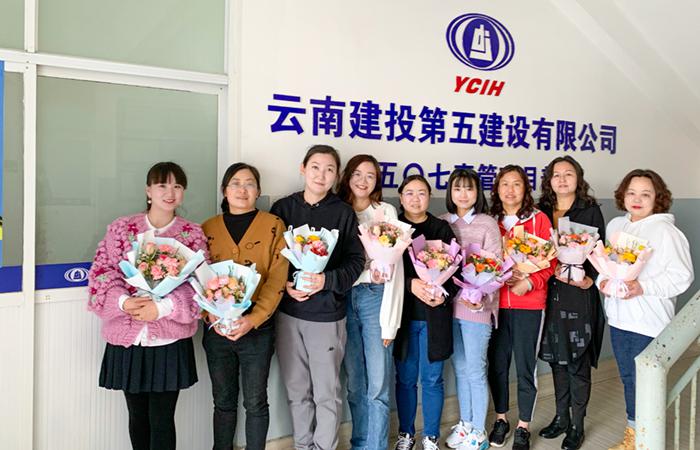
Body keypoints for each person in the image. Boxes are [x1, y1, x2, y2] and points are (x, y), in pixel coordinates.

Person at [87, 162, 207, 450]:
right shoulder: (122, 229)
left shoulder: (192, 234)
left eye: (177, 186)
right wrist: (123, 302)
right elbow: (102, 272)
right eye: (162, 185)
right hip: (129, 339)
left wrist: (163, 308)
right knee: (137, 417)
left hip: (168, 340)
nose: (170, 192)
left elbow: (201, 285)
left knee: (163, 419)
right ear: (148, 190)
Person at [270, 145, 365, 450]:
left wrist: (326, 280)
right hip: (288, 314)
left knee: (327, 393)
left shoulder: (343, 212)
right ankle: (302, 446)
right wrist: (285, 285)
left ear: (337, 176)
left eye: (329, 169)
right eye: (315, 167)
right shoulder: (283, 209)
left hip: (327, 315)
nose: (321, 175)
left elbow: (356, 262)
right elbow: (271, 259)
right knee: (296, 390)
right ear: (303, 168)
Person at [601, 169, 693, 450]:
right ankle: (636, 434)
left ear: (658, 198)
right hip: (619, 317)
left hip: (648, 321)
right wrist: (602, 280)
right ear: (623, 195)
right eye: (631, 192)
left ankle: (642, 438)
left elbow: (682, 277)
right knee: (629, 379)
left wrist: (643, 287)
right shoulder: (617, 225)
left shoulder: (666, 232)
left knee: (643, 383)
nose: (637, 199)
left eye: (645, 194)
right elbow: (607, 262)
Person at [200, 162, 289, 450]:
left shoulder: (274, 225)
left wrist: (254, 319)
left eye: (249, 183)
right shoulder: (208, 228)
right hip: (217, 332)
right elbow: (197, 277)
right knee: (223, 401)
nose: (242, 189)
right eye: (235, 183)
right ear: (224, 190)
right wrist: (210, 315)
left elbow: (277, 278)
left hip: (257, 331)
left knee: (255, 401)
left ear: (258, 191)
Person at [536, 156, 606, 450]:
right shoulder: (540, 210)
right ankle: (561, 417)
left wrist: (591, 278)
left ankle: (577, 424)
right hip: (550, 294)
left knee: (577, 360)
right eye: (556, 174)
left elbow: (601, 251)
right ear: (549, 180)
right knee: (556, 359)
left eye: (568, 174)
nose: (562, 179)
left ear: (578, 178)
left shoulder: (589, 210)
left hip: (578, 295)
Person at [337, 154, 404, 450]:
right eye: (357, 174)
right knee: (355, 383)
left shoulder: (385, 211)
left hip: (375, 297)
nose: (363, 181)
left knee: (378, 384)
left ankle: (376, 446)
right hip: (342, 299)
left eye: (370, 176)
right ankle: (360, 443)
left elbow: (396, 268)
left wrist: (391, 322)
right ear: (347, 176)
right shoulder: (337, 209)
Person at [487, 165, 555, 450]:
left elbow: (551, 261)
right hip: (495, 305)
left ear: (525, 188)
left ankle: (523, 426)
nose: (510, 190)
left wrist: (529, 281)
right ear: (497, 188)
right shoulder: (490, 221)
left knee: (526, 366)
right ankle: (501, 419)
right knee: (497, 364)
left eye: (517, 184)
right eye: (505, 183)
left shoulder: (539, 220)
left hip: (529, 304)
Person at [393, 175, 458, 450]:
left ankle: (431, 436)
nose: (415, 198)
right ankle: (406, 434)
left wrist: (442, 294)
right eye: (409, 193)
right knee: (405, 380)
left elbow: (456, 271)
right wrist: (410, 283)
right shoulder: (394, 228)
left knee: (432, 379)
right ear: (401, 197)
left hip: (434, 317)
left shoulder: (441, 228)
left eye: (421, 193)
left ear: (429, 197)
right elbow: (386, 272)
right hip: (404, 317)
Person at [439, 169, 501, 450]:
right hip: (449, 308)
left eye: (469, 188)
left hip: (477, 308)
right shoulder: (442, 222)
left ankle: (479, 432)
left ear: (478, 192)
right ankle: (465, 424)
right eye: (457, 188)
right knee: (461, 369)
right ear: (450, 192)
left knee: (475, 370)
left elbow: (496, 267)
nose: (463, 194)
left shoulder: (487, 223)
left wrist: (482, 299)